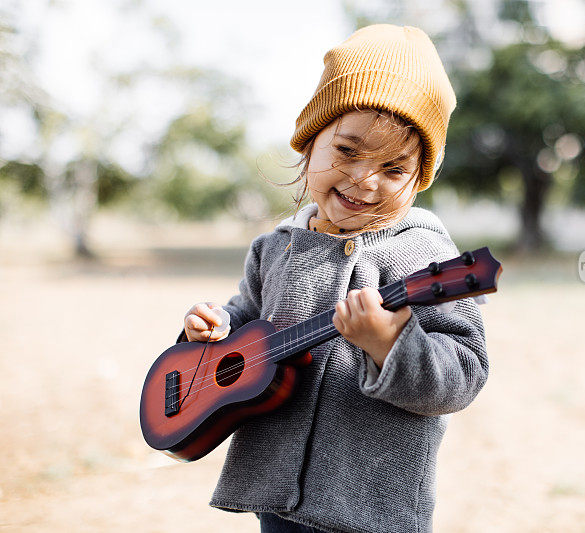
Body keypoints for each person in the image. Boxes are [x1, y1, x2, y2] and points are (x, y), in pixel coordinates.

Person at [178, 24, 489, 533]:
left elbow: (465, 372)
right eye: (347, 152)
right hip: (275, 492)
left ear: (419, 178)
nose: (363, 180)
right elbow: (247, 319)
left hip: (370, 504)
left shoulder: (424, 253)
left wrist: (392, 344)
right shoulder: (277, 246)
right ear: (310, 141)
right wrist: (213, 330)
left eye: (393, 169)